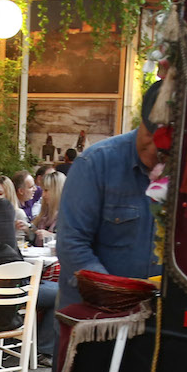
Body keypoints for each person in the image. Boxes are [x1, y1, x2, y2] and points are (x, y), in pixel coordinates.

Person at [55, 121, 164, 306]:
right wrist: (112, 294)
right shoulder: (96, 162)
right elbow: (71, 243)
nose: (154, 148)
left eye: (163, 141)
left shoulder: (183, 167)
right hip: (94, 313)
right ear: (141, 123)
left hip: (157, 314)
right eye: (150, 134)